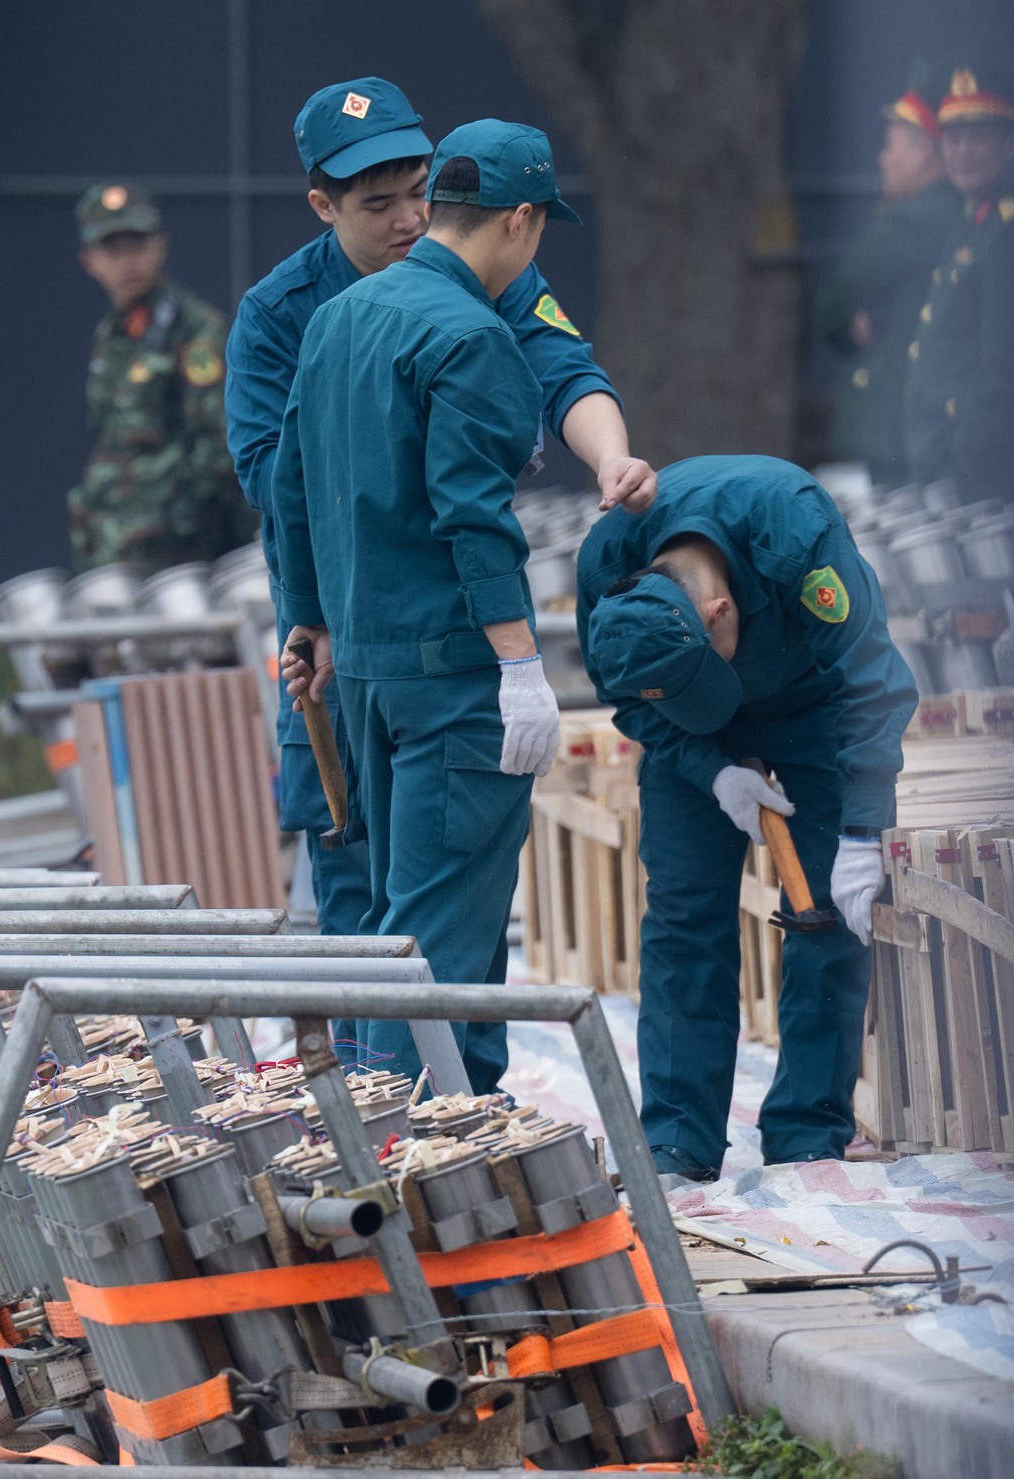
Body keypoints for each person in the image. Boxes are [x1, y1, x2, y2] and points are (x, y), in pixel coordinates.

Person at [226, 78, 654, 964]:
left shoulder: (484, 270)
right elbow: (285, 484)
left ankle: (434, 1098)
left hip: (439, 633)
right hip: (342, 642)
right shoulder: (283, 315)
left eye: (420, 191)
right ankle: (373, 1098)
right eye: (376, 204)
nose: (409, 219)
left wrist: (608, 456)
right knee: (364, 904)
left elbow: (565, 369)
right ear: (322, 205)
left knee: (448, 921)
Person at [274, 120, 583, 1094]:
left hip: (364, 671)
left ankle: (452, 1124)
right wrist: (520, 664)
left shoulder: (338, 317)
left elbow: (286, 487)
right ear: (520, 221)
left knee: (398, 928)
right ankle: (407, 1178)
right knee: (439, 937)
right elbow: (473, 515)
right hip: (454, 675)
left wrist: (310, 620)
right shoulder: (471, 335)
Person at [577, 456, 918, 1185]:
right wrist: (710, 767)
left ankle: (807, 1130)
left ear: (719, 611)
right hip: (689, 736)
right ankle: (676, 1138)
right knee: (682, 914)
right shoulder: (608, 566)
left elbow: (874, 680)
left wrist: (861, 830)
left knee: (825, 909)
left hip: (814, 703)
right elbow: (633, 698)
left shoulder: (791, 529)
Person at [66, 183, 256, 571]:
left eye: (136, 245)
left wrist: (175, 519)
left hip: (184, 552)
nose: (127, 262)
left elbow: (221, 444)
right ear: (89, 261)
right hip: (113, 545)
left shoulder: (193, 330)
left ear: (160, 247)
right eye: (112, 250)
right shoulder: (112, 335)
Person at [815, 62, 960, 484]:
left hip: (899, 429)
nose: (882, 160)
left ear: (923, 151)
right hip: (933, 428)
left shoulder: (911, 222)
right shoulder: (960, 215)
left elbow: (834, 302)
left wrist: (850, 318)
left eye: (890, 145)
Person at [903, 63, 1014, 504]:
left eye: (978, 138)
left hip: (978, 473)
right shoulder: (972, 226)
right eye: (954, 139)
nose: (963, 152)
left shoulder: (1010, 237)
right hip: (944, 459)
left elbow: (1009, 375)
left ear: (1010, 144)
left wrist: (966, 458)